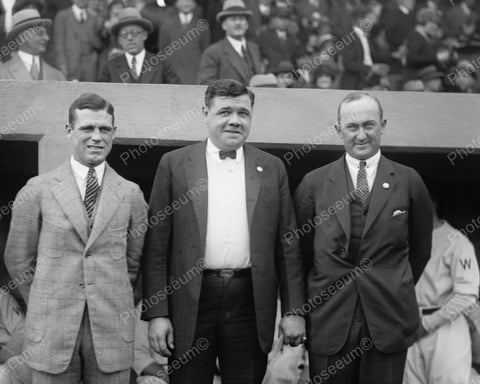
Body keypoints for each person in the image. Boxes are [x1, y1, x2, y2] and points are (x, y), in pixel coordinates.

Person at [142, 79, 306, 384]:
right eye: (225, 112)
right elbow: (156, 248)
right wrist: (158, 313)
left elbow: (288, 247)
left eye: (243, 113)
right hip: (190, 299)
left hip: (251, 300)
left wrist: (294, 310)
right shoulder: (174, 164)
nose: (235, 120)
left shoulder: (272, 168)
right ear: (206, 113)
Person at [4, 93, 148, 384]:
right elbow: (19, 258)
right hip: (51, 332)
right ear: (69, 131)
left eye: (104, 129)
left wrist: (110, 296)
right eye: (87, 128)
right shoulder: (39, 189)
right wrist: (48, 298)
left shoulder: (130, 193)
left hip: (110, 331)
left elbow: (135, 262)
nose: (96, 137)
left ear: (114, 133)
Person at [294, 92, 433, 384]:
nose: (361, 135)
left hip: (388, 319)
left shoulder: (409, 180)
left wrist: (393, 284)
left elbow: (420, 251)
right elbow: (300, 255)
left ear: (383, 125)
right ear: (338, 130)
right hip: (330, 320)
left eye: (369, 125)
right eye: (351, 127)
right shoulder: (314, 183)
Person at [403, 181, 479, 384]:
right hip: (408, 327)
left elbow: (466, 296)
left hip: (445, 327)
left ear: (432, 202)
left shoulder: (457, 241)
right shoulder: (403, 241)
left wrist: (426, 324)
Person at [99, 7, 179, 84]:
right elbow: (102, 94)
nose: (129, 38)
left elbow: (176, 93)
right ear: (120, 40)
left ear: (144, 35)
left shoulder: (162, 65)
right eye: (124, 34)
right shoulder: (110, 67)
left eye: (134, 33)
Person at [197, 0, 263, 85]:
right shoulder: (213, 52)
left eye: (241, 19)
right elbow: (204, 84)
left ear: (246, 24)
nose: (238, 23)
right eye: (233, 19)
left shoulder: (254, 49)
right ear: (224, 25)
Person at [0, 8, 64, 80]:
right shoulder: (3, 73)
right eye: (40, 33)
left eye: (46, 33)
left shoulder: (57, 76)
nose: (47, 38)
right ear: (22, 37)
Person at [157, 0, 210, 84]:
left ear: (194, 3)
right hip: (172, 76)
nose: (186, 3)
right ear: (176, 3)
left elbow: (206, 51)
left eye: (189, 0)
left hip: (195, 76)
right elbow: (162, 51)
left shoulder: (202, 26)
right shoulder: (167, 25)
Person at [53, 0, 102, 81]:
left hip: (90, 67)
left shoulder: (93, 18)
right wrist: (62, 65)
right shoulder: (63, 16)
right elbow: (59, 43)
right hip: (71, 64)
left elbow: (97, 44)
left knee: (89, 91)